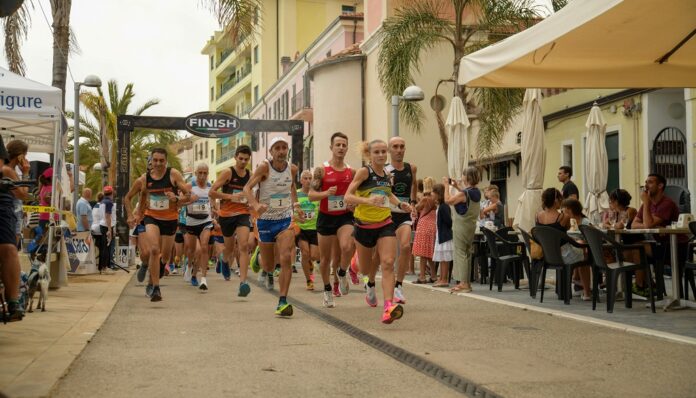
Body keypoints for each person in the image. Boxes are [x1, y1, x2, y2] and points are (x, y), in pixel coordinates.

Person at [345, 139, 412, 324]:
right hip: (364, 225)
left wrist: (400, 204)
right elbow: (347, 196)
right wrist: (367, 201)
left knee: (388, 263)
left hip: (385, 223)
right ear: (370, 154)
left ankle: (388, 307)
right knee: (365, 270)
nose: (381, 155)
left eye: (384, 151)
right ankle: (357, 269)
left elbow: (387, 193)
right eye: (377, 152)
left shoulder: (388, 173)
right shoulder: (364, 172)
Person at [243, 137, 300, 316]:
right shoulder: (264, 168)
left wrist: (296, 206)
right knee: (268, 266)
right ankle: (259, 258)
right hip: (266, 220)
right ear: (271, 152)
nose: (281, 151)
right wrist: (255, 204)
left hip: (284, 219)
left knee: (285, 259)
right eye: (277, 148)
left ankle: (282, 301)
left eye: (284, 148)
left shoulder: (292, 169)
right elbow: (247, 188)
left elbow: (292, 187)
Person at [126, 147, 190, 302]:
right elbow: (127, 197)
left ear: (166, 161)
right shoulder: (144, 179)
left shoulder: (173, 175)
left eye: (161, 160)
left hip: (170, 219)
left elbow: (189, 196)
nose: (158, 163)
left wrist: (176, 198)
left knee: (165, 257)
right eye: (155, 160)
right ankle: (156, 288)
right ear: (151, 161)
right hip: (151, 217)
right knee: (154, 249)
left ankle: (155, 273)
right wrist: (130, 215)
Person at [309, 132, 356, 308]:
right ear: (331, 147)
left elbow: (356, 194)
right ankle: (327, 289)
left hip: (344, 216)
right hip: (326, 217)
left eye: (344, 145)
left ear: (347, 148)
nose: (341, 148)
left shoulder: (351, 171)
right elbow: (311, 195)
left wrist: (353, 204)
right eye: (338, 145)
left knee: (348, 246)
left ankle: (342, 272)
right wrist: (325, 194)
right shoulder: (322, 170)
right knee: (325, 259)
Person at [209, 145, 254, 297]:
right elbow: (212, 191)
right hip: (227, 215)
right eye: (240, 158)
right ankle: (224, 260)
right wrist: (230, 197)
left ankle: (243, 282)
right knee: (228, 249)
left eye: (246, 159)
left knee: (243, 246)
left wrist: (251, 203)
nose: (243, 161)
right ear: (235, 157)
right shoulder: (228, 172)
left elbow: (251, 194)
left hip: (242, 213)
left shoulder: (250, 174)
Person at [630, 173, 681, 296]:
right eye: (646, 182)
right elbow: (633, 225)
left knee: (637, 248)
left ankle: (641, 285)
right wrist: (650, 223)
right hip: (658, 245)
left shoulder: (667, 203)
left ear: (660, 186)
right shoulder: (646, 205)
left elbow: (647, 224)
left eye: (650, 182)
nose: (646, 185)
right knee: (627, 250)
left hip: (674, 247)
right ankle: (648, 284)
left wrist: (646, 204)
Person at [385, 137, 418, 304]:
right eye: (395, 147)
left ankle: (398, 286)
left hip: (404, 215)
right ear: (389, 150)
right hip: (387, 215)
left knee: (405, 247)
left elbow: (414, 186)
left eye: (402, 147)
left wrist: (412, 203)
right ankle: (369, 282)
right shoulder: (384, 170)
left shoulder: (411, 168)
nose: (399, 150)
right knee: (383, 256)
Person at [445, 167, 481, 293]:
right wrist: (457, 187)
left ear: (467, 177)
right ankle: (467, 283)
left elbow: (448, 201)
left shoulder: (465, 193)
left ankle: (463, 283)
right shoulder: (476, 192)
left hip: (461, 225)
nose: (462, 177)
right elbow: (465, 196)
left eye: (463, 175)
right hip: (471, 225)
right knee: (467, 253)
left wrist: (446, 186)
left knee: (460, 253)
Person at [181, 163, 215, 291]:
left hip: (205, 220)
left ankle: (202, 278)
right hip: (191, 221)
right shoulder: (189, 186)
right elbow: (180, 202)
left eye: (205, 173)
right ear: (196, 174)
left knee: (203, 248)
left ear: (207, 174)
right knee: (191, 250)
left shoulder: (210, 187)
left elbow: (212, 201)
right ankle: (189, 266)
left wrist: (215, 209)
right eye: (200, 173)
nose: (202, 176)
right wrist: (190, 200)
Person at [0, 136, 23, 321]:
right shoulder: (11, 170)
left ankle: (13, 299)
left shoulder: (7, 169)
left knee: (8, 248)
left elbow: (24, 195)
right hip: (12, 210)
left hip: (4, 206)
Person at [561, 198, 592, 300]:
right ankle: (576, 281)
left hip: (586, 250)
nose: (563, 213)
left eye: (564, 211)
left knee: (582, 253)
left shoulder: (585, 222)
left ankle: (585, 289)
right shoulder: (566, 222)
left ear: (571, 210)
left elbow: (591, 238)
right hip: (571, 250)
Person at [2, 140, 31, 246]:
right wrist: (26, 173)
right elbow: (23, 195)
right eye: (25, 155)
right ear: (20, 156)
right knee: (11, 251)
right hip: (10, 216)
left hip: (12, 214)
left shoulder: (11, 170)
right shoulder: (8, 171)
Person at [295, 170, 319, 291]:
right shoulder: (296, 194)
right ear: (301, 180)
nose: (308, 180)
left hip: (314, 228)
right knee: (305, 253)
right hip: (301, 228)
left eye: (310, 178)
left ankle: (310, 263)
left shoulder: (316, 194)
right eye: (305, 178)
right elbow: (290, 209)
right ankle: (309, 280)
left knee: (313, 256)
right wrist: (297, 217)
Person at [412, 177, 436, 284]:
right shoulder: (435, 199)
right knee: (428, 252)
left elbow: (416, 208)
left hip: (424, 225)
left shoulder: (425, 198)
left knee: (422, 253)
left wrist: (415, 201)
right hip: (432, 225)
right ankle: (434, 276)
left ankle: (422, 276)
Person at [431, 183, 453, 288]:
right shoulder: (440, 206)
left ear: (438, 194)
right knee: (442, 258)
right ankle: (441, 278)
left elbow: (449, 221)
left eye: (433, 192)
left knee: (445, 258)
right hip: (441, 234)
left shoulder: (444, 206)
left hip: (445, 235)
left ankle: (444, 279)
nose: (432, 194)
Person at [98, 186, 116, 274]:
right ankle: (104, 267)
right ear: (112, 193)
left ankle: (102, 267)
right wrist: (109, 229)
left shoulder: (102, 202)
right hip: (106, 226)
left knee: (104, 247)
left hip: (102, 225)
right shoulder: (109, 202)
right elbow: (107, 216)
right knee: (106, 247)